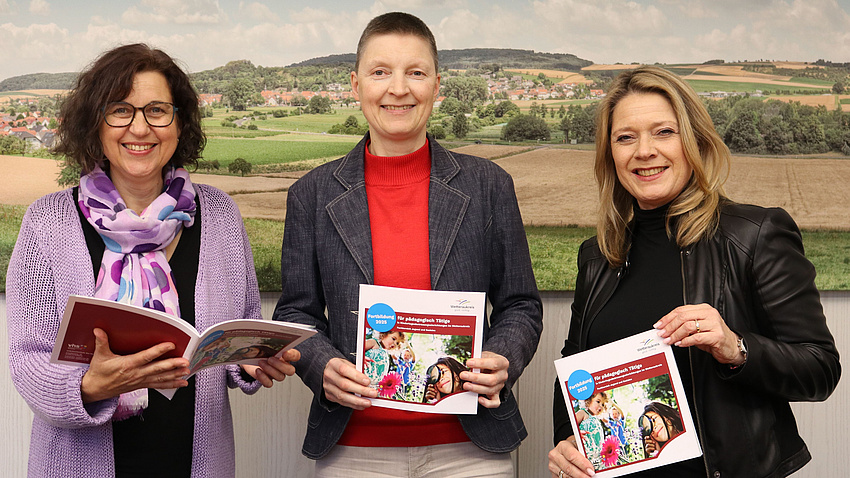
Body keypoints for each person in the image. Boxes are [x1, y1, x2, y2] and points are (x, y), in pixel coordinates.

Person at [5, 43, 298, 478]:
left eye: (157, 110)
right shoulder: (47, 222)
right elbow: (28, 361)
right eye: (120, 110)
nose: (140, 128)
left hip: (195, 463)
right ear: (96, 125)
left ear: (179, 124)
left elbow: (241, 327)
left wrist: (252, 361)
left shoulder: (220, 216)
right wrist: (88, 387)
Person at [272, 11, 543, 477]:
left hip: (471, 451)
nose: (398, 88)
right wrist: (321, 366)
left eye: (415, 73)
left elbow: (520, 305)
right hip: (352, 451)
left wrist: (504, 357)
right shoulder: (312, 194)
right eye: (381, 72)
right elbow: (296, 313)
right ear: (356, 85)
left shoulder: (488, 186)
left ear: (437, 85)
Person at [548, 65, 840, 478]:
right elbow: (574, 366)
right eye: (625, 137)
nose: (644, 150)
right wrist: (567, 440)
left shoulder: (754, 235)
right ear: (610, 154)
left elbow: (820, 370)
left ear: (695, 142)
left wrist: (734, 346)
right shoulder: (597, 255)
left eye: (664, 132)